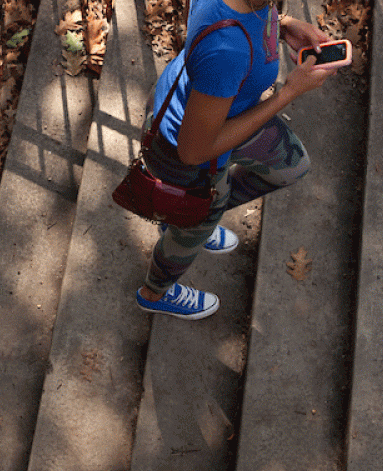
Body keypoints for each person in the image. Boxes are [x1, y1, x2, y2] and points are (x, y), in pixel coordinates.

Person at [136, 0, 336, 319]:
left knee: (292, 166)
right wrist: (288, 93)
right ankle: (155, 291)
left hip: (226, 113)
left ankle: (190, 218)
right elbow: (194, 151)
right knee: (195, 224)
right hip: (187, 152)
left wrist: (283, 25)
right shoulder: (227, 53)